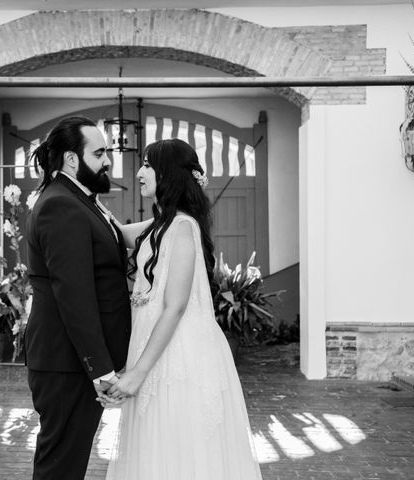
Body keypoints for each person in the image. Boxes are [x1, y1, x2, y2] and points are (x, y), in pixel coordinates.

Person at [102, 139, 263, 480]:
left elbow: (174, 307)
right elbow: (113, 234)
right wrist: (87, 199)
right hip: (155, 346)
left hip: (179, 355)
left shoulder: (184, 228)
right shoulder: (161, 225)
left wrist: (137, 374)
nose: (140, 171)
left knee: (178, 450)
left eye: (148, 164)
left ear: (168, 174)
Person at [24, 116, 131, 480]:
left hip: (70, 362)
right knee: (60, 467)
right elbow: (74, 294)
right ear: (72, 159)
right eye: (99, 153)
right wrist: (100, 369)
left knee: (66, 463)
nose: (107, 161)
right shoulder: (62, 206)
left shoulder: (81, 200)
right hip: (66, 363)